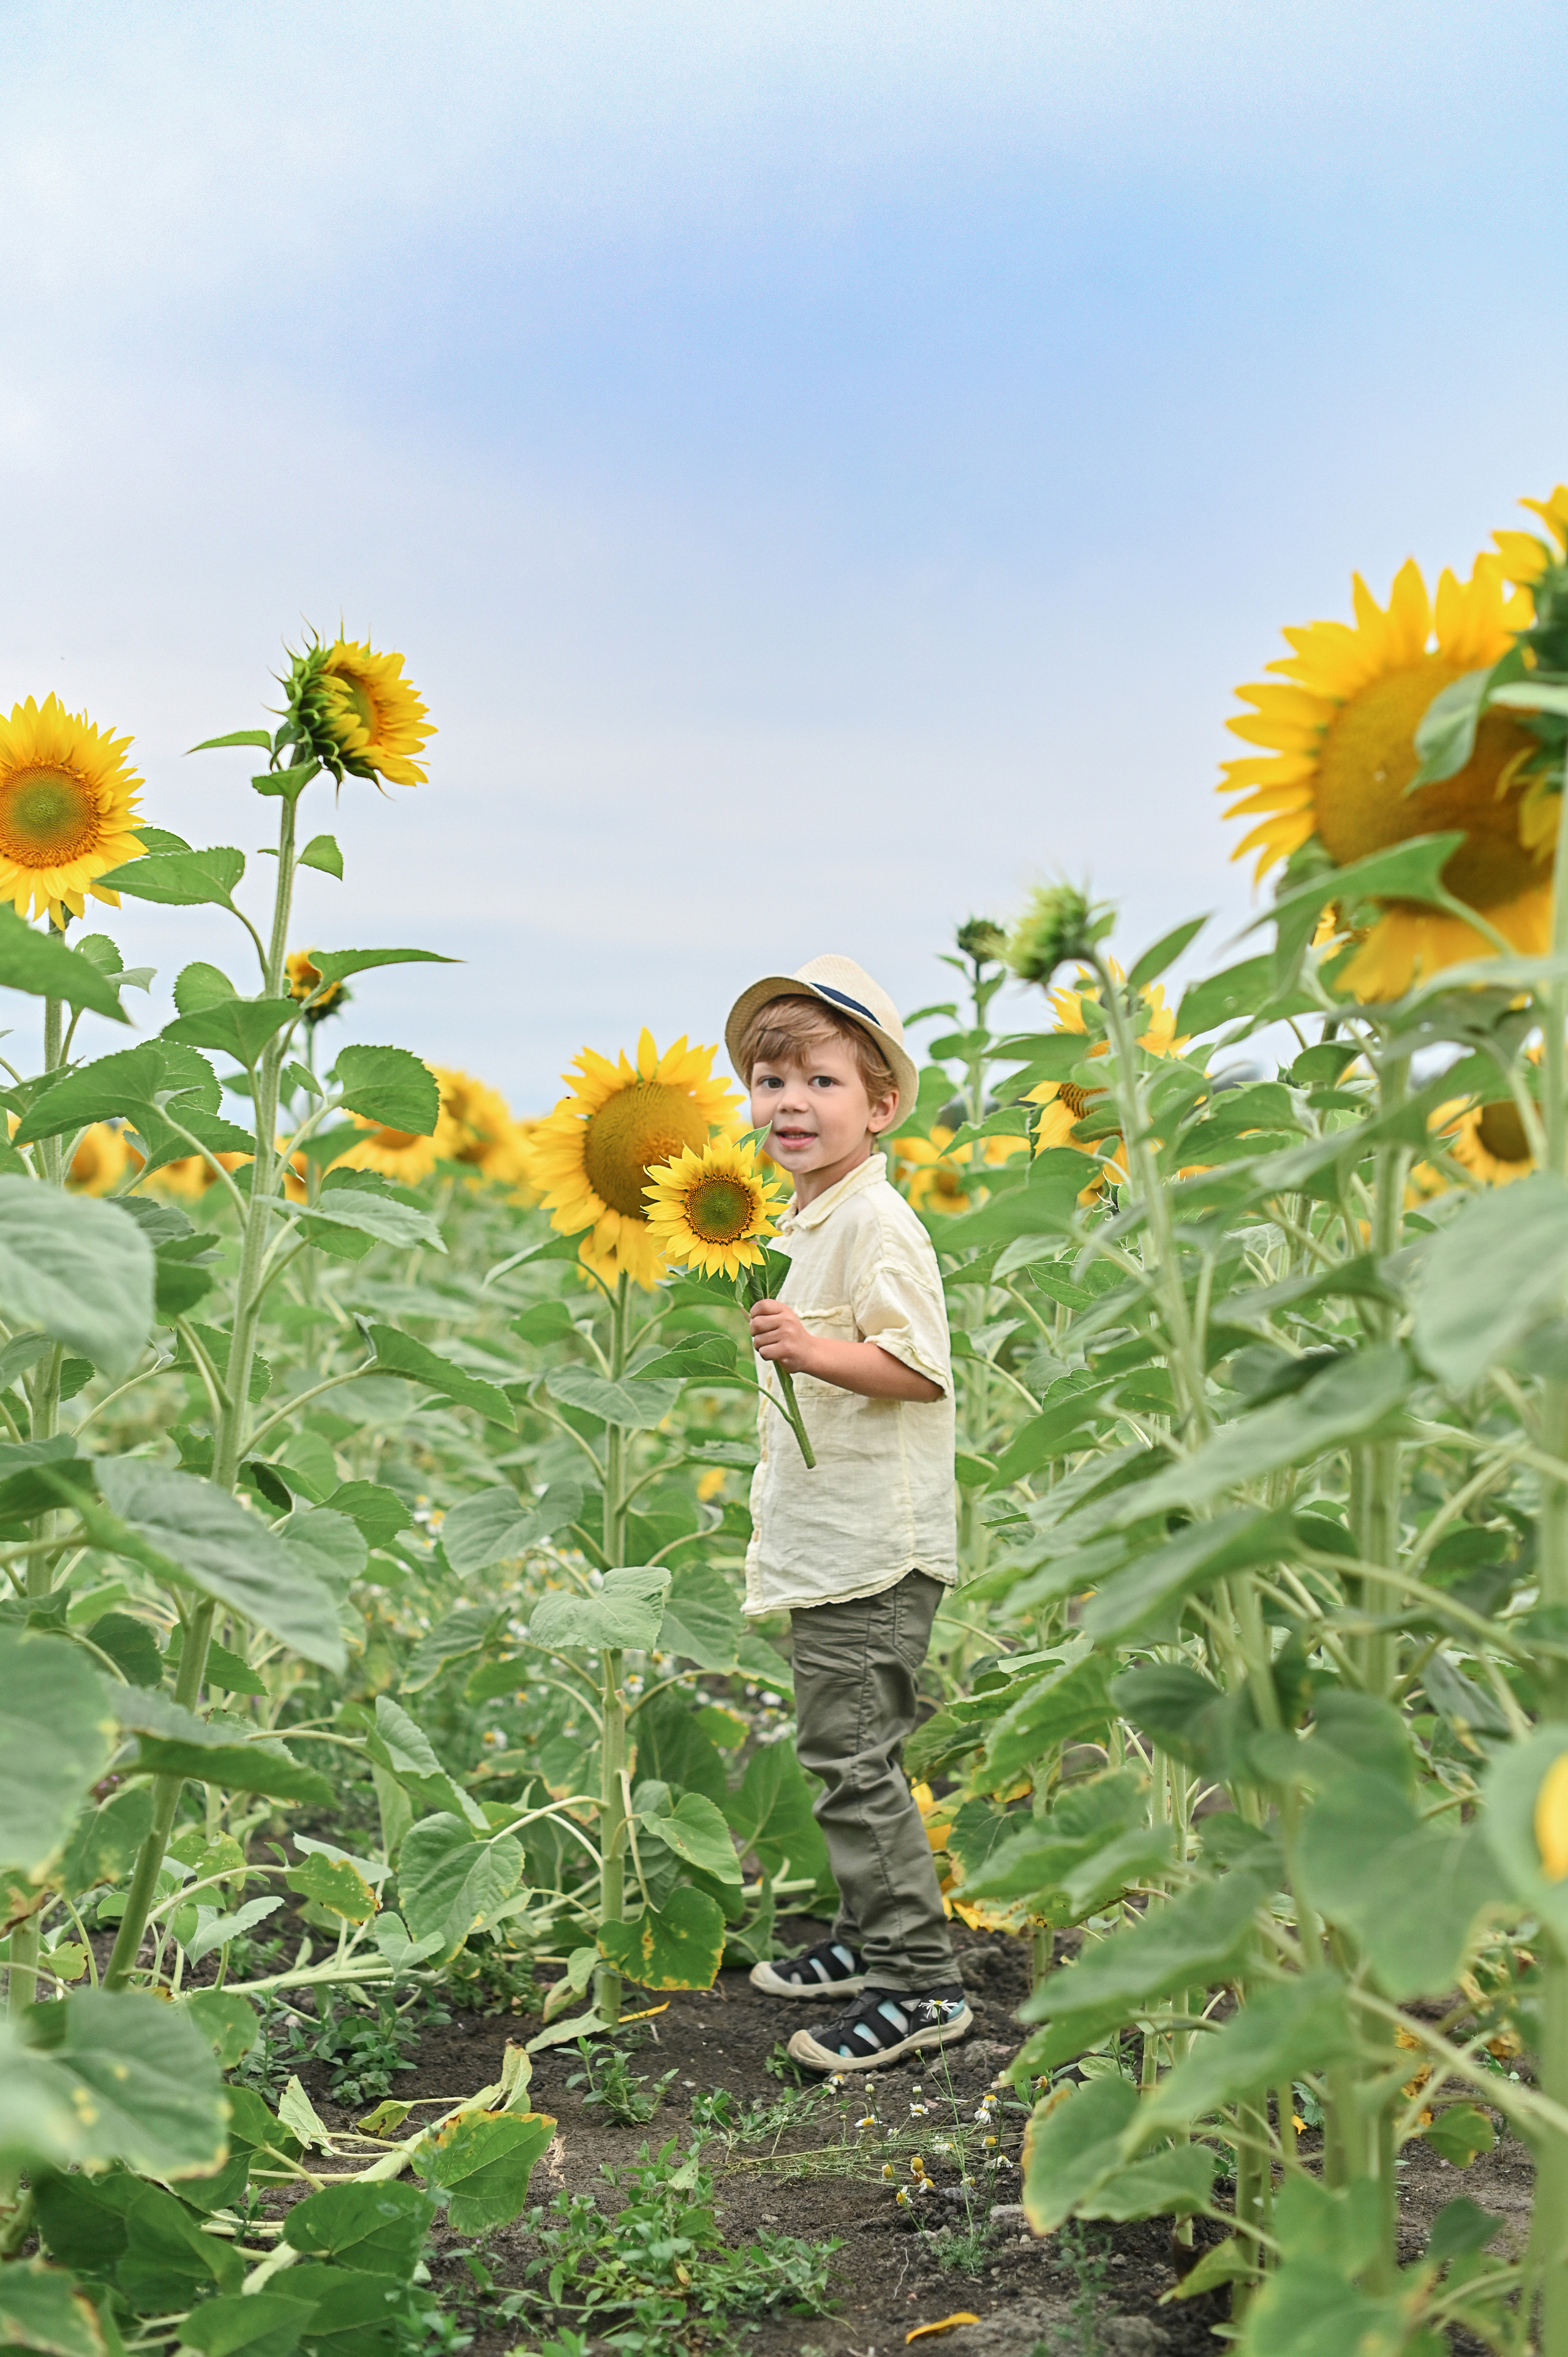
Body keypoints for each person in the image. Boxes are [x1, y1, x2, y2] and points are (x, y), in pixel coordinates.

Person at [724, 953, 971, 2073]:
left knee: (856, 1757)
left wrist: (815, 1351)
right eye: (771, 1082)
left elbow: (922, 1370)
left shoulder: (879, 1226)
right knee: (839, 1751)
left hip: (878, 1549)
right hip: (830, 1545)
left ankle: (923, 1987)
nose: (789, 1104)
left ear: (879, 1107)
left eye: (819, 1083)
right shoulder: (806, 1218)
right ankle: (874, 1940)